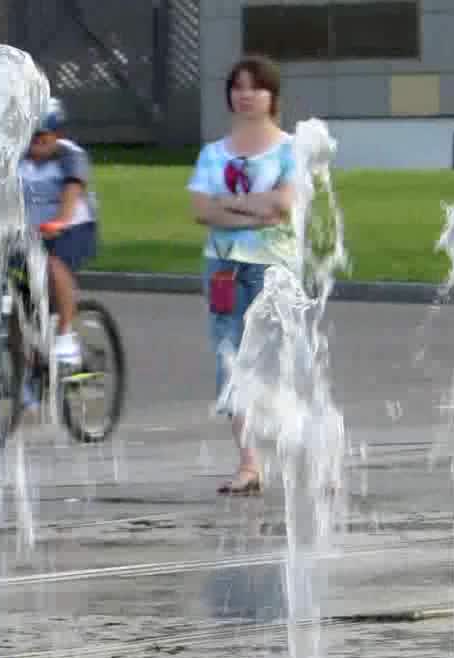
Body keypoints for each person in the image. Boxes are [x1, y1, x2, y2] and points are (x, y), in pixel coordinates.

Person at [187, 56, 296, 496]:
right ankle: (249, 464)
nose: (246, 95)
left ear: (273, 96)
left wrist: (227, 207)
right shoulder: (213, 154)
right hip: (224, 269)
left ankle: (295, 452)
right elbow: (201, 209)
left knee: (279, 362)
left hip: (274, 268)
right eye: (238, 87)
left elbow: (283, 206)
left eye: (256, 87)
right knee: (230, 360)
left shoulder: (290, 149)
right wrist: (254, 209)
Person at [20, 96, 98, 372]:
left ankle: (66, 337)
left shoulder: (70, 155)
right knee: (14, 290)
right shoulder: (15, 158)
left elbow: (72, 191)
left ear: (58, 135)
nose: (37, 143)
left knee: (55, 264)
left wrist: (60, 222)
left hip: (74, 227)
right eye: (31, 137)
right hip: (30, 231)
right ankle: (22, 365)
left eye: (43, 136)